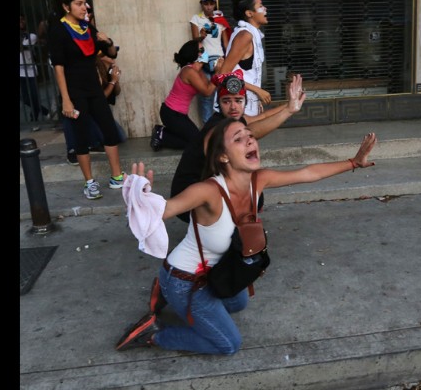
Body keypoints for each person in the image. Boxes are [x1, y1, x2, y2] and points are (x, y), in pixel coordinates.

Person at [114, 119, 377, 353]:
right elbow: (165, 210)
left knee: (238, 301)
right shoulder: (208, 191)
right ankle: (155, 334)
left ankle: (175, 301)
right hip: (185, 279)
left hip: (212, 272)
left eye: (249, 135)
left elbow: (308, 173)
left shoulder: (257, 180)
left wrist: (353, 162)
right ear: (224, 157)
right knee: (228, 343)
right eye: (238, 138)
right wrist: (139, 197)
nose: (250, 139)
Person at [169, 70, 306, 201]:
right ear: (218, 103)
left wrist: (290, 105)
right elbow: (252, 130)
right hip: (188, 195)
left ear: (245, 102)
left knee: (253, 192)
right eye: (226, 101)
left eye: (238, 100)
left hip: (210, 188)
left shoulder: (236, 119)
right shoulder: (217, 126)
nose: (233, 107)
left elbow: (263, 116)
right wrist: (287, 111)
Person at [48, 0, 126, 199]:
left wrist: (107, 41)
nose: (84, 8)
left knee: (109, 132)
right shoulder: (59, 29)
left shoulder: (87, 28)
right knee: (81, 138)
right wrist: (66, 99)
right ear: (66, 7)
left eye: (85, 3)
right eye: (79, 4)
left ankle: (117, 177)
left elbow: (110, 53)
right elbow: (59, 67)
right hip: (75, 93)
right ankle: (89, 183)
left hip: (94, 90)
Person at [150, 39, 218, 151]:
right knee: (196, 143)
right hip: (171, 113)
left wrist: (214, 72)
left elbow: (208, 85)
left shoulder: (197, 71)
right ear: (194, 54)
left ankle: (163, 133)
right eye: (201, 50)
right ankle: (161, 135)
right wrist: (218, 72)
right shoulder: (188, 71)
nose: (205, 52)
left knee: (196, 141)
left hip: (180, 115)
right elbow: (207, 92)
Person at [217, 0, 271, 117]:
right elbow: (224, 75)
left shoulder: (251, 34)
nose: (265, 9)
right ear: (249, 13)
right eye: (260, 6)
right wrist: (258, 90)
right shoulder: (244, 35)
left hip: (245, 104)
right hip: (235, 108)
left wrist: (255, 97)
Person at [189, 0, 231, 124]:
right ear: (201, 4)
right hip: (204, 59)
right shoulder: (196, 19)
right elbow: (195, 40)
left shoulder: (220, 19)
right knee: (206, 96)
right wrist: (202, 35)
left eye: (211, 3)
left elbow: (225, 43)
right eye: (206, 3)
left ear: (215, 4)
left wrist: (229, 60)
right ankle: (208, 128)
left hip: (218, 58)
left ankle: (222, 126)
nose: (208, 6)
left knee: (222, 94)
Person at [20, 14, 50, 127]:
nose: (21, 22)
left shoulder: (31, 36)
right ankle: (45, 111)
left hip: (30, 70)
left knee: (33, 95)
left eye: (22, 20)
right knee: (25, 98)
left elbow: (23, 47)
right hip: (20, 72)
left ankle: (34, 121)